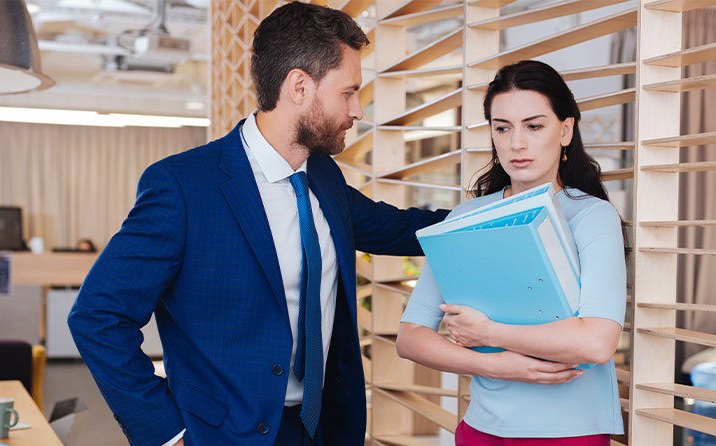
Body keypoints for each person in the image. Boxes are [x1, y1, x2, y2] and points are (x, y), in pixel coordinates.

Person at [67, 3, 449, 446]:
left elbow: (399, 229)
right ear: (300, 87)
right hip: (221, 435)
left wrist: (497, 211)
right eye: (348, 92)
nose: (357, 110)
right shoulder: (184, 186)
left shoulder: (323, 176)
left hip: (318, 428)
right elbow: (98, 316)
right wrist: (167, 433)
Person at [397, 60, 626, 445]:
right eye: (502, 128)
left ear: (565, 130)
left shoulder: (592, 216)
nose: (516, 143)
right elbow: (410, 337)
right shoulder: (467, 217)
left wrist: (487, 331)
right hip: (479, 430)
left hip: (567, 434)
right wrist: (493, 365)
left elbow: (596, 343)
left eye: (534, 126)